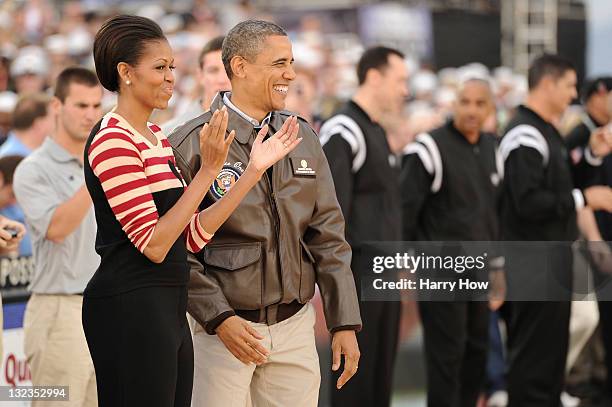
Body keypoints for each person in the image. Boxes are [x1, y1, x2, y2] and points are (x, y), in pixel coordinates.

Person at [81, 15, 300, 407]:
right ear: (125, 73)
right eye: (160, 68)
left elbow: (191, 237)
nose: (170, 78)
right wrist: (209, 173)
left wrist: (253, 170)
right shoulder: (113, 139)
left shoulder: (157, 138)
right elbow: (154, 245)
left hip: (168, 306)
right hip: (129, 307)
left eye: (173, 68)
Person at [169, 19, 362, 407]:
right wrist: (219, 318)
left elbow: (328, 235)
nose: (290, 74)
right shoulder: (189, 145)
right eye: (279, 63)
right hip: (221, 334)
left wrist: (344, 321)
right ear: (239, 67)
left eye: (290, 62)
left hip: (294, 329)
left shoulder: (303, 137)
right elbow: (177, 250)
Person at [498, 54, 612, 407]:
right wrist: (584, 197)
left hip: (552, 259)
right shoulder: (524, 135)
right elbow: (528, 201)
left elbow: (560, 185)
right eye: (568, 86)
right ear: (547, 84)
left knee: (549, 360)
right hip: (533, 262)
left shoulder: (547, 130)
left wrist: (591, 155)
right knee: (534, 360)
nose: (573, 94)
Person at [400, 78, 504, 407]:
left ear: (490, 109)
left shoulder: (493, 148)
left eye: (479, 103)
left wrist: (498, 268)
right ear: (453, 104)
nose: (471, 110)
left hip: (480, 270)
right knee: (447, 359)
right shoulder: (428, 148)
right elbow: (404, 213)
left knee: (477, 354)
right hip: (440, 272)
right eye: (465, 102)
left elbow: (493, 215)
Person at [319, 45, 408, 407]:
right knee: (355, 381)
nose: (405, 90)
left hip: (384, 275)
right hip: (357, 276)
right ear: (374, 76)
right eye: (399, 80)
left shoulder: (376, 131)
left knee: (379, 379)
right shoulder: (344, 129)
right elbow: (329, 212)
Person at [13, 67, 103, 407]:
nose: (91, 115)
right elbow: (56, 228)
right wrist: (95, 172)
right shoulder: (33, 169)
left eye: (96, 106)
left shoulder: (99, 162)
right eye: (81, 106)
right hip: (60, 308)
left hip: (106, 308)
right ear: (56, 106)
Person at [161, 35, 231, 134]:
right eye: (213, 71)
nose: (222, 79)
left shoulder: (257, 127)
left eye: (229, 70)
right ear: (200, 75)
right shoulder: (171, 133)